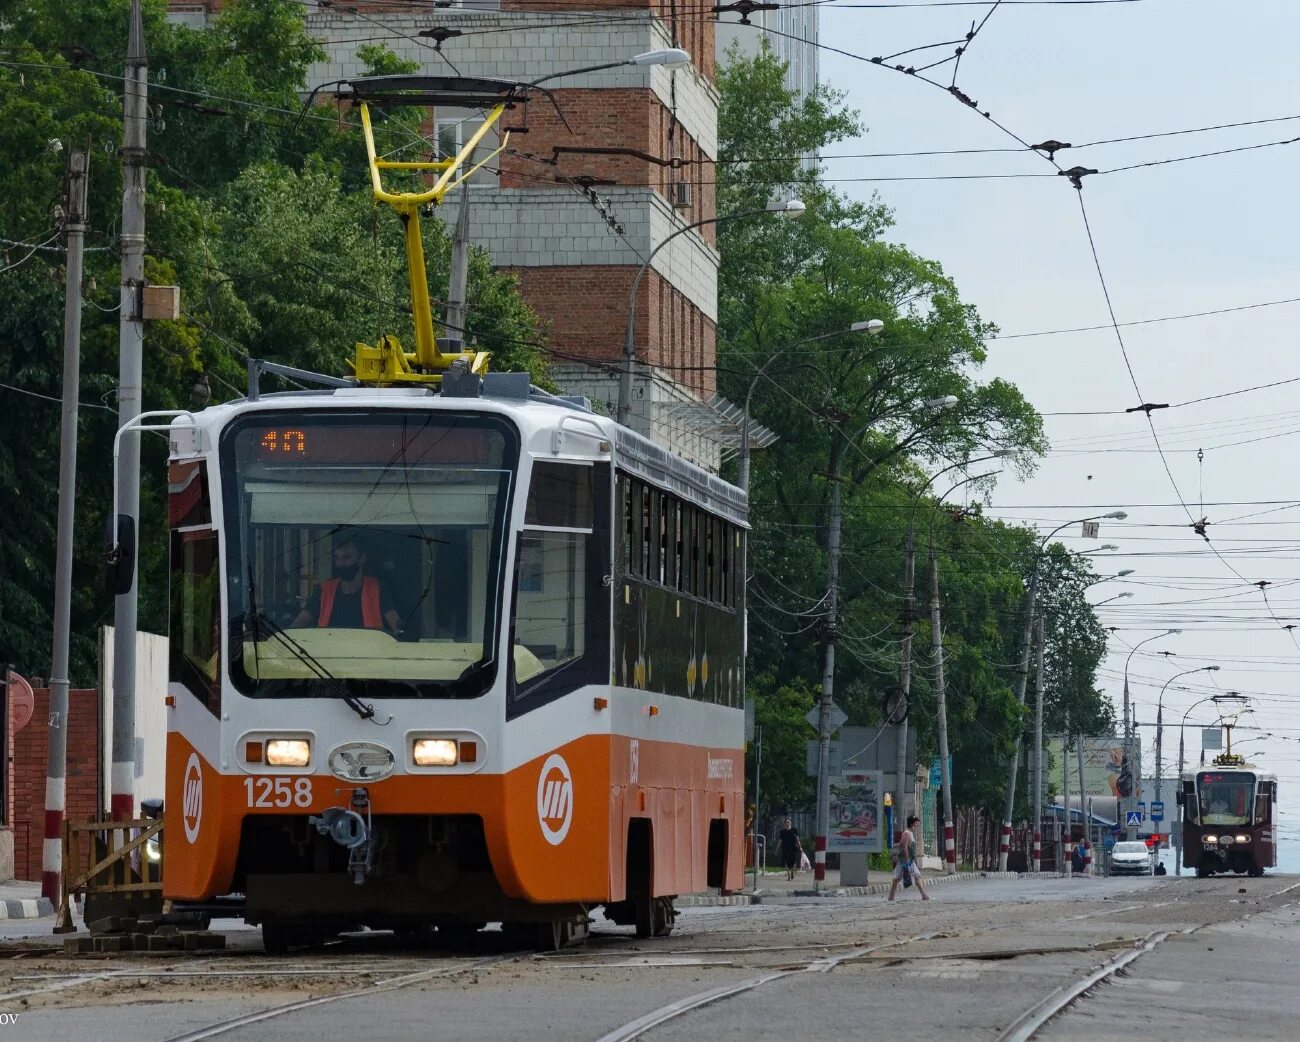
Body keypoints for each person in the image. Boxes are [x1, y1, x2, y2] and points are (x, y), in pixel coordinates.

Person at [293, 536, 403, 637]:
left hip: (370, 655)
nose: (341, 563)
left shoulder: (378, 588)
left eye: (347, 557)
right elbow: (297, 626)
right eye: (337, 558)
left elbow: (397, 628)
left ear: (361, 559)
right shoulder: (323, 590)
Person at [888, 815, 930, 901]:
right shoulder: (907, 833)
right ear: (912, 824)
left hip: (907, 860)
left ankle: (891, 896)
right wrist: (907, 861)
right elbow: (905, 847)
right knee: (912, 876)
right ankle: (924, 895)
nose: (918, 825)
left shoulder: (910, 833)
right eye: (916, 823)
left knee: (901, 877)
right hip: (905, 860)